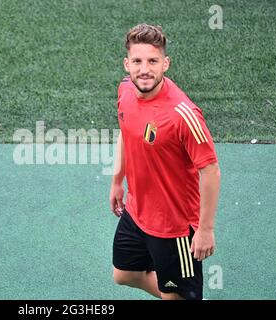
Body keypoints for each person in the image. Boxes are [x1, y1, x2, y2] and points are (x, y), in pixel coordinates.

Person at [109, 23, 221, 300]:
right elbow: (127, 133)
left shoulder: (183, 114)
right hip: (137, 210)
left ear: (166, 64)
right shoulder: (125, 91)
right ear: (126, 64)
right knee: (124, 274)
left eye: (152, 61)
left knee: (177, 296)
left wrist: (205, 230)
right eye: (137, 61)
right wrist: (116, 181)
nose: (144, 69)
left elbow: (210, 170)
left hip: (175, 227)